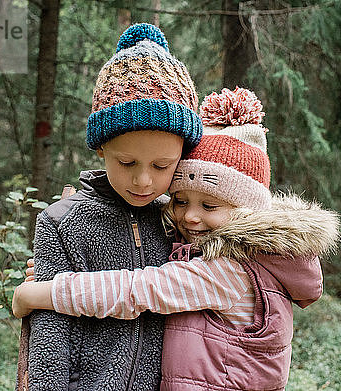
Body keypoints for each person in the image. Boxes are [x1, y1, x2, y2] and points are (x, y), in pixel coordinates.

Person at [14, 87, 341, 390]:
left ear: (247, 209)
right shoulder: (227, 254)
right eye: (181, 201)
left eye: (209, 205)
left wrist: (44, 293)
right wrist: (55, 266)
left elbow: (138, 290)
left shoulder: (229, 272)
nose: (190, 216)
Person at [22, 23, 203, 391]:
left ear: (183, 155)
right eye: (127, 163)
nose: (143, 182)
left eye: (161, 166)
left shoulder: (185, 221)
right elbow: (48, 340)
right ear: (101, 148)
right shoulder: (62, 222)